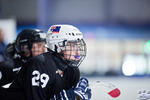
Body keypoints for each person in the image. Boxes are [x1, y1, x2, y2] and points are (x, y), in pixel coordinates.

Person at [0, 24, 87, 100]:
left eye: (77, 45)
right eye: (73, 45)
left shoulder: (72, 70)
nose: (77, 51)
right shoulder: (39, 65)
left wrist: (76, 96)